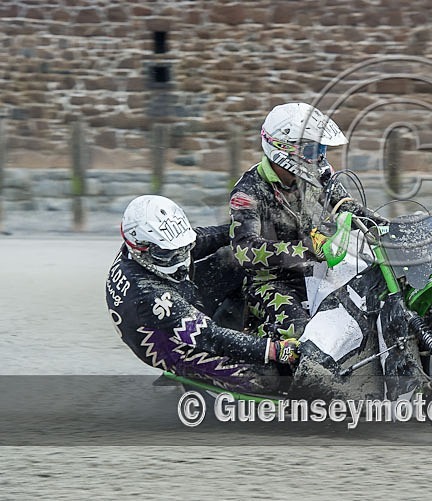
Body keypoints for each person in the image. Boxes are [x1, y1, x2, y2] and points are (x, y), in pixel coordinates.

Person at [105, 195, 299, 394]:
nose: (179, 261)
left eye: (183, 249)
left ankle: (254, 318)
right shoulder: (148, 294)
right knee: (271, 379)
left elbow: (208, 238)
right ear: (140, 248)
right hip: (176, 344)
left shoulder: (158, 242)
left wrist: (260, 228)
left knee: (237, 256)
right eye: (167, 255)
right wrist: (275, 349)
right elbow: (211, 336)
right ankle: (191, 380)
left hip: (178, 299)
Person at [229, 102, 382, 340]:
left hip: (317, 271)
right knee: (301, 331)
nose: (319, 157)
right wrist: (311, 249)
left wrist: (382, 224)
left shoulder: (317, 173)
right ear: (283, 149)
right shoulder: (248, 193)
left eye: (322, 149)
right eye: (312, 151)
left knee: (368, 305)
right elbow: (244, 250)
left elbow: (343, 203)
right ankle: (259, 350)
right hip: (270, 283)